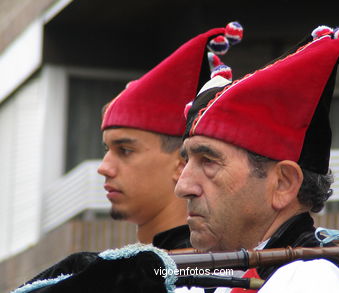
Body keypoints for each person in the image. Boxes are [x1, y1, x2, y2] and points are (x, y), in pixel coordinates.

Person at [12, 22, 243, 293]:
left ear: (182, 164)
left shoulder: (215, 280)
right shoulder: (111, 273)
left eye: (125, 150)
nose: (105, 168)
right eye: (106, 150)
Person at [175, 25, 339, 293]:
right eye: (187, 160)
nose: (182, 187)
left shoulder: (313, 280)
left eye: (208, 161)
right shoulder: (226, 272)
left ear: (283, 184)